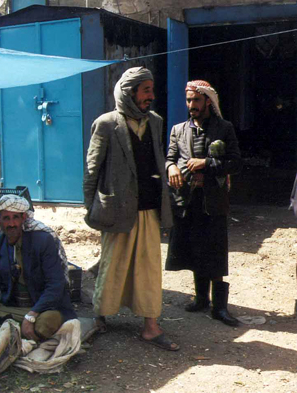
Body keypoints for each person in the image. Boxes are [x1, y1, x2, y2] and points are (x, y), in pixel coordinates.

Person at [83, 66, 178, 351]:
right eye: (145, 90)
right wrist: (91, 208)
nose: (151, 95)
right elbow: (92, 169)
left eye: (151, 89)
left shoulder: (156, 122)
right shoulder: (106, 123)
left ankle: (150, 326)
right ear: (130, 92)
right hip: (117, 209)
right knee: (113, 265)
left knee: (149, 268)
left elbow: (156, 159)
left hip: (148, 208)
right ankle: (100, 315)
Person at [165, 80, 242, 327]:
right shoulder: (178, 130)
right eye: (188, 101)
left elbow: (235, 163)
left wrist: (205, 164)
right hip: (187, 201)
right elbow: (169, 158)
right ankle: (201, 299)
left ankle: (220, 308)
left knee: (215, 250)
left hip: (213, 201)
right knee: (195, 247)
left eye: (196, 100)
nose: (191, 105)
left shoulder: (224, 128)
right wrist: (172, 168)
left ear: (207, 101)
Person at [0, 195, 76, 341]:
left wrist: (31, 316)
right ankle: (10, 327)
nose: (12, 224)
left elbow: (56, 285)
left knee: (45, 324)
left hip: (41, 308)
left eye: (16, 218)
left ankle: (7, 328)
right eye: (6, 218)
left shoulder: (42, 241)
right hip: (11, 306)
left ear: (24, 218)